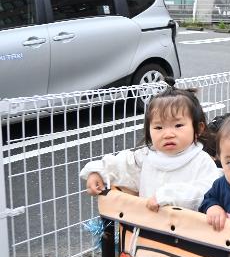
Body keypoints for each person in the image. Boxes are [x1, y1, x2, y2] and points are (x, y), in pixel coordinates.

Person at [81, 82, 220, 211]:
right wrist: (97, 172)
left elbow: (206, 192)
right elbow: (119, 166)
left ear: (198, 128)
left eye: (178, 125)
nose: (168, 134)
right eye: (159, 127)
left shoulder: (201, 161)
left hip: (184, 232)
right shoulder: (145, 157)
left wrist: (168, 196)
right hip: (146, 231)